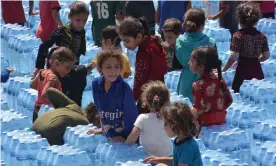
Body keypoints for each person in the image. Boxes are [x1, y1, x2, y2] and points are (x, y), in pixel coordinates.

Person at [34, 1, 89, 106]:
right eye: (78, 20)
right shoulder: (62, 31)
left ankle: (76, 107)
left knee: (79, 79)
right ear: (69, 16)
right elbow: (44, 46)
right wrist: (39, 67)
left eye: (85, 20)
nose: (81, 23)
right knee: (63, 92)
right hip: (60, 67)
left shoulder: (81, 31)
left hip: (72, 66)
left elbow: (78, 52)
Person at [118, 16, 167, 114]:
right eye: (123, 41)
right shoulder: (154, 41)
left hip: (148, 93)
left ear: (139, 37)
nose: (125, 45)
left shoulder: (143, 53)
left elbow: (139, 78)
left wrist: (134, 96)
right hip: (161, 88)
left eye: (127, 41)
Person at [88, 50, 138, 142]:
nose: (113, 71)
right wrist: (103, 130)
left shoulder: (124, 88)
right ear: (100, 69)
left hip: (124, 136)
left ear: (121, 68)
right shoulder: (96, 84)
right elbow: (101, 111)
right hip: (109, 133)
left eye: (116, 67)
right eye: (108, 67)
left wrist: (127, 139)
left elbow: (131, 117)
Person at [222, 2, 270, 92]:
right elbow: (266, 55)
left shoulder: (238, 35)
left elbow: (234, 56)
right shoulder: (261, 36)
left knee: (241, 94)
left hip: (243, 71)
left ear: (239, 19)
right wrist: (256, 60)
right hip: (257, 70)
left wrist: (224, 69)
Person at [32, 87, 100, 145]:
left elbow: (50, 91)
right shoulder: (85, 124)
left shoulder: (73, 106)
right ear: (96, 117)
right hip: (47, 133)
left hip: (35, 125)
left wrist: (58, 107)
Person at [176, 8, 216, 102]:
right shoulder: (210, 42)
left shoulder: (179, 41)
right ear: (202, 25)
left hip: (185, 79)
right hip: (204, 79)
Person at [125, 81, 173, 157]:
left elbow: (131, 140)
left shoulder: (142, 118)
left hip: (148, 158)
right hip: (168, 157)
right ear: (168, 101)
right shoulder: (169, 117)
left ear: (146, 101)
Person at [30, 47, 76, 123]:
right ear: (57, 63)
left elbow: (32, 85)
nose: (68, 71)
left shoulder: (42, 72)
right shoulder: (53, 78)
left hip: (37, 110)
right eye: (67, 68)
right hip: (46, 112)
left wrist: (42, 87)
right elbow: (45, 94)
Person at [190, 46, 233, 126]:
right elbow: (229, 100)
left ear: (201, 66)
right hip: (221, 120)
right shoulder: (220, 79)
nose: (189, 63)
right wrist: (217, 111)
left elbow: (199, 110)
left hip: (205, 122)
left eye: (192, 61)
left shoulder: (197, 85)